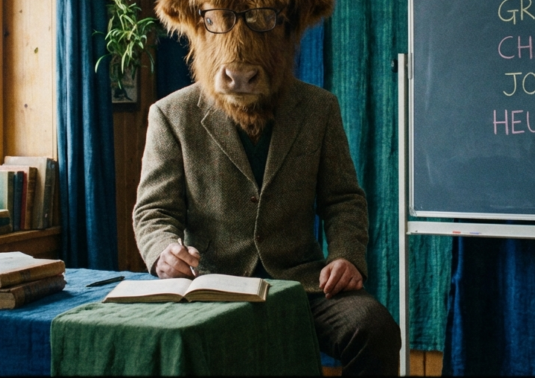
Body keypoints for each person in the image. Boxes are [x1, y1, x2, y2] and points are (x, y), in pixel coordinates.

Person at [132, 80, 401, 375]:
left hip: (303, 283)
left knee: (375, 329)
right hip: (210, 284)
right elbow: (154, 210)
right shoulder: (171, 112)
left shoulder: (319, 106)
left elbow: (343, 199)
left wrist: (345, 255)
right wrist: (163, 252)